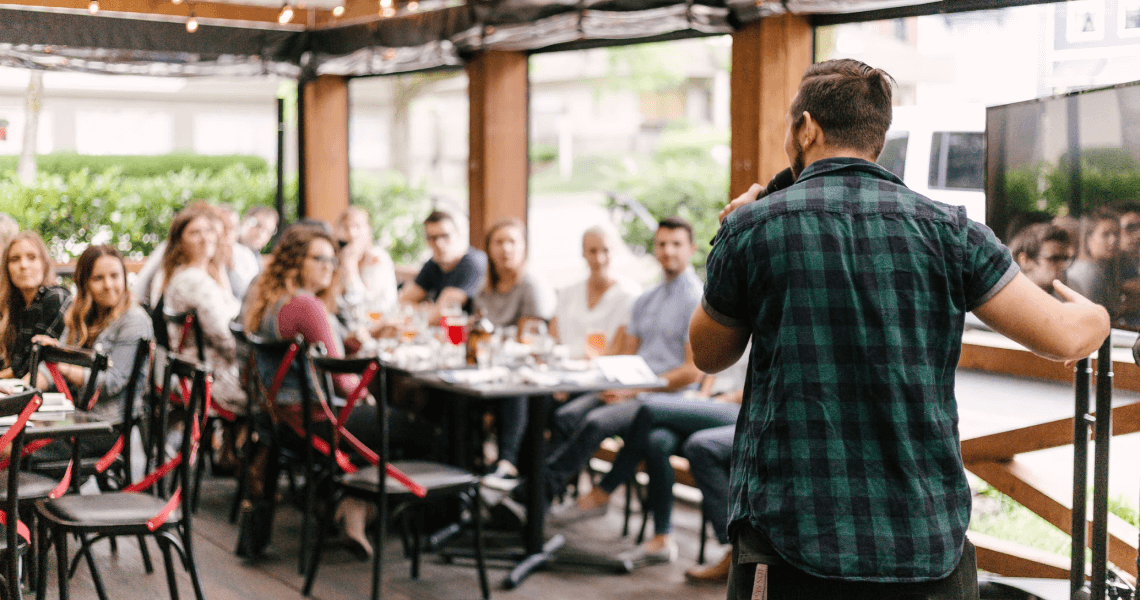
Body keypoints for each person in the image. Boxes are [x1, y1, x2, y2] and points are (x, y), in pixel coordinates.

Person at [691, 58, 1111, 599]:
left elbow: (708, 352)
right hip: (922, 539)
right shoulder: (951, 230)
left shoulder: (755, 225)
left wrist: (730, 235)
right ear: (877, 137)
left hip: (793, 535)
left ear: (807, 128)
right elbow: (1066, 337)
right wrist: (1097, 314)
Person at [242, 223, 431, 558]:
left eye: (332, 259)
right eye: (320, 259)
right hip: (317, 421)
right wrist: (369, 397)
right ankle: (394, 514)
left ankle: (349, 502)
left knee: (389, 419)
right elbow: (342, 379)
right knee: (420, 428)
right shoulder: (307, 305)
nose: (329, 266)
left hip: (280, 423)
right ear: (296, 261)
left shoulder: (269, 300)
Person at [539, 217, 704, 511]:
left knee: (593, 421)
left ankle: (539, 494)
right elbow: (627, 355)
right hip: (630, 388)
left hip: (665, 396)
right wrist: (614, 384)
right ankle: (551, 491)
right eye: (662, 244)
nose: (668, 251)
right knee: (565, 415)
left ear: (691, 249)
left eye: (676, 244)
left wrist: (634, 390)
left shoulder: (696, 300)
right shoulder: (646, 298)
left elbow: (692, 371)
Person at [563, 349, 749, 568]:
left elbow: (757, 387)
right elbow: (708, 370)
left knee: (649, 409)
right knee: (656, 442)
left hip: (733, 408)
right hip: (704, 403)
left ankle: (605, 488)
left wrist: (714, 400)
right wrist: (702, 396)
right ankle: (662, 539)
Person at [29, 245, 153, 461]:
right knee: (14, 433)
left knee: (14, 447)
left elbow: (113, 382)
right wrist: (19, 393)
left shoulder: (134, 320)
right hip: (74, 417)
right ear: (85, 283)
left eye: (115, 276)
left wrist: (63, 365)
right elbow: (50, 370)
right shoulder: (80, 315)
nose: (108, 285)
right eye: (98, 278)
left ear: (125, 278)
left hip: (107, 426)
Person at [474, 218, 556, 484]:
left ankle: (507, 463)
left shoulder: (532, 286)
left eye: (512, 242)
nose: (505, 249)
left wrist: (492, 340)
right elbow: (476, 335)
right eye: (499, 242)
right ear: (489, 248)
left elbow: (527, 341)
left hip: (525, 375)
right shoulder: (484, 290)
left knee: (514, 387)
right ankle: (466, 466)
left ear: (524, 248)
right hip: (488, 371)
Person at [160, 206, 245, 418]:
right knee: (280, 395)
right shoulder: (192, 281)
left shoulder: (199, 276)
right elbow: (224, 336)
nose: (205, 238)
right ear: (180, 242)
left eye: (208, 230)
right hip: (212, 379)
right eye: (194, 232)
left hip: (204, 374)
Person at [550, 225, 641, 359]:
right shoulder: (567, 293)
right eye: (592, 251)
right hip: (562, 369)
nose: (599, 259)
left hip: (602, 372)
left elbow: (618, 350)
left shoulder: (628, 295)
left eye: (606, 250)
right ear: (583, 253)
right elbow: (553, 338)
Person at [0, 231, 71, 381]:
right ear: (6, 268)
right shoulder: (12, 305)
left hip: (47, 394)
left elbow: (26, 366)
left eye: (32, 257)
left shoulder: (56, 297)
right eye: (14, 259)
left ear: (44, 264)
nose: (23, 265)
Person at [399, 210, 487, 313]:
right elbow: (402, 303)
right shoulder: (433, 264)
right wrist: (428, 310)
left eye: (445, 236)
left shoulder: (473, 262)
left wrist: (425, 310)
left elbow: (442, 313)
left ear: (458, 234)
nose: (439, 243)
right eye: (432, 238)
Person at [334, 206, 399, 324]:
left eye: (357, 227)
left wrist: (350, 267)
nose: (352, 233)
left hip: (377, 324)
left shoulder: (378, 259)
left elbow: (362, 307)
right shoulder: (337, 258)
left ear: (368, 230)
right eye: (345, 227)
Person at [1067, 208, 1121, 314]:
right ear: (1088, 238)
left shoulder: (1102, 268)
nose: (1113, 240)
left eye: (1116, 233)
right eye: (1106, 234)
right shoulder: (1086, 273)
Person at [1008, 222, 1074, 294]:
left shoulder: (1072, 291)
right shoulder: (1007, 300)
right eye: (1054, 259)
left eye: (1065, 259)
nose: (1063, 266)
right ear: (1025, 261)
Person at [218, 204, 262, 300]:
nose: (227, 233)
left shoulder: (246, 255)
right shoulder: (204, 256)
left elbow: (251, 293)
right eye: (223, 227)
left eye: (232, 228)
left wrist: (231, 266)